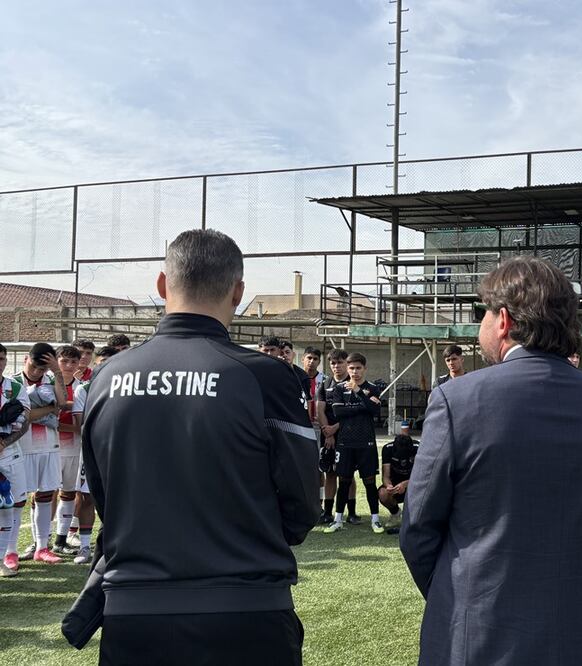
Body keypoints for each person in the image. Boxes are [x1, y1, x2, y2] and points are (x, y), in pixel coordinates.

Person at [64, 229, 319, 664]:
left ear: (162, 284)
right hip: (246, 609)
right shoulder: (265, 376)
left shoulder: (107, 378)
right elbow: (301, 507)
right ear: (238, 292)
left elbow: (107, 495)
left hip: (134, 613)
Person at [400, 256, 582, 665]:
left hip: (480, 641)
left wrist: (464, 599)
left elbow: (418, 529)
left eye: (482, 312)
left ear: (503, 321)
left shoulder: (457, 401)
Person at [15, 342, 67, 564]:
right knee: (17, 500)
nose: (37, 372)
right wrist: (49, 409)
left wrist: (56, 371)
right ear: (27, 359)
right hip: (20, 448)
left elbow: (63, 403)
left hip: (47, 446)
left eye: (42, 369)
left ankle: (42, 548)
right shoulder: (14, 383)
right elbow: (24, 415)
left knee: (45, 495)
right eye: (35, 366)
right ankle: (10, 551)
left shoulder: (50, 380)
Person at [323, 352, 384, 534]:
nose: (355, 372)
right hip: (345, 443)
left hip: (366, 443)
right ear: (347, 369)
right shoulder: (339, 388)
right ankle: (338, 519)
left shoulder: (373, 388)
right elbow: (338, 412)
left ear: (365, 369)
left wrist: (359, 393)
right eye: (351, 368)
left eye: (358, 368)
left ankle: (375, 519)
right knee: (344, 481)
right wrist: (362, 406)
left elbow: (374, 411)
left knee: (370, 482)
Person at [68, 346, 119, 565]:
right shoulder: (84, 389)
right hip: (93, 449)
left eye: (110, 361)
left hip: (121, 450)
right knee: (88, 497)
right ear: (95, 365)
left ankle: (119, 543)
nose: (105, 366)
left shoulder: (126, 386)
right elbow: (81, 424)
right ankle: (85, 546)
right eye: (101, 362)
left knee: (122, 497)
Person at [0, 342, 31, 577]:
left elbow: (24, 420)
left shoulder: (15, 387)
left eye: (2, 358)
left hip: (9, 451)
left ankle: (5, 556)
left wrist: (4, 442)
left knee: (12, 503)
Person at [316, 349, 357, 524]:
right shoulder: (325, 384)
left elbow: (354, 412)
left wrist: (335, 428)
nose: (336, 366)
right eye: (333, 363)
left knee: (347, 474)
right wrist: (328, 431)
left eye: (340, 362)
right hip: (328, 435)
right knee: (330, 473)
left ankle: (352, 513)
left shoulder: (352, 384)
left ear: (346, 364)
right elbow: (320, 409)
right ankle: (327, 512)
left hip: (347, 434)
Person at [53, 345, 84, 555]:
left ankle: (60, 540)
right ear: (56, 361)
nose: (69, 365)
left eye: (73, 361)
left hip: (73, 447)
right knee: (43, 493)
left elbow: (79, 427)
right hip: (46, 447)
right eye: (64, 361)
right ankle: (39, 542)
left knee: (68, 493)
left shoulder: (81, 387)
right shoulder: (47, 384)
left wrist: (52, 423)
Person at [379, 421, 419, 534]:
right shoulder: (387, 449)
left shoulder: (418, 448)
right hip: (395, 483)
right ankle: (395, 513)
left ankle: (417, 519)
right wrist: (389, 486)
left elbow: (421, 475)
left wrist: (406, 484)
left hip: (414, 482)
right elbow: (385, 476)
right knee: (383, 494)